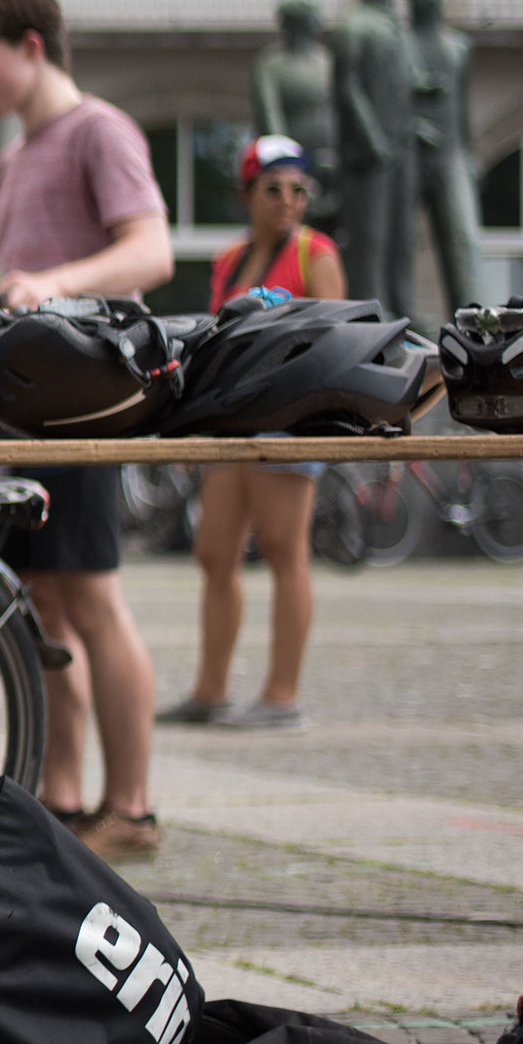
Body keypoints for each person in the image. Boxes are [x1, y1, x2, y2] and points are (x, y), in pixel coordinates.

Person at [0, 0, 173, 856]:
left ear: (30, 46)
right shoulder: (12, 158)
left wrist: (52, 283)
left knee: (95, 598)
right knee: (38, 603)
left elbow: (151, 249)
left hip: (87, 412)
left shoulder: (100, 131)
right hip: (24, 414)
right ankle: (66, 797)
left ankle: (135, 807)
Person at [169, 134, 344, 731]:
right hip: (233, 419)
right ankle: (210, 689)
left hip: (289, 419)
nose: (288, 201)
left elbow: (335, 337)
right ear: (248, 194)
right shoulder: (228, 259)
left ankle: (280, 694)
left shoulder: (314, 252)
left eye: (299, 190)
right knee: (215, 551)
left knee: (283, 548)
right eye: (274, 189)